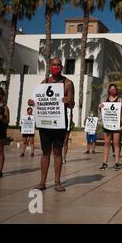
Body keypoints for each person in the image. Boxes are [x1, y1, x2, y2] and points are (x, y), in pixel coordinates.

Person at [28, 58, 75, 192]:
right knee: (45, 152)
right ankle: (42, 182)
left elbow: (72, 104)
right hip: (45, 121)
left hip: (59, 122)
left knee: (57, 152)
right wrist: (32, 102)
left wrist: (68, 100)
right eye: (53, 65)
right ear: (50, 67)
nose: (55, 67)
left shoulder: (68, 83)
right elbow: (38, 101)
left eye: (57, 65)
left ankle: (57, 182)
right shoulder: (44, 83)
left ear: (62, 66)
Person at [98, 84, 122, 171]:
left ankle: (117, 162)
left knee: (116, 144)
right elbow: (102, 111)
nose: (113, 90)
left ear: (116, 90)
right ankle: (105, 163)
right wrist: (99, 107)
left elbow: (121, 113)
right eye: (111, 89)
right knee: (106, 144)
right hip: (107, 125)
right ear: (109, 90)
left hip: (116, 125)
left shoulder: (119, 99)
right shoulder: (105, 99)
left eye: (114, 89)